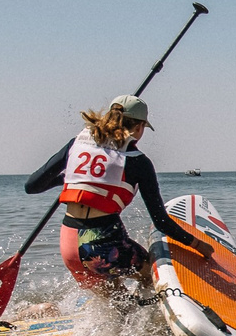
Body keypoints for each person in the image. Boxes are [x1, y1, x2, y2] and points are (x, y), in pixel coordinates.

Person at [23, 96, 207, 293]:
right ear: (139, 127)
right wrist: (197, 245)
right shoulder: (138, 161)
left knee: (113, 302)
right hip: (102, 247)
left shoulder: (76, 144)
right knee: (151, 277)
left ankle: (45, 308)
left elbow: (32, 186)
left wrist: (68, 177)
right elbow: (161, 221)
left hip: (68, 245)